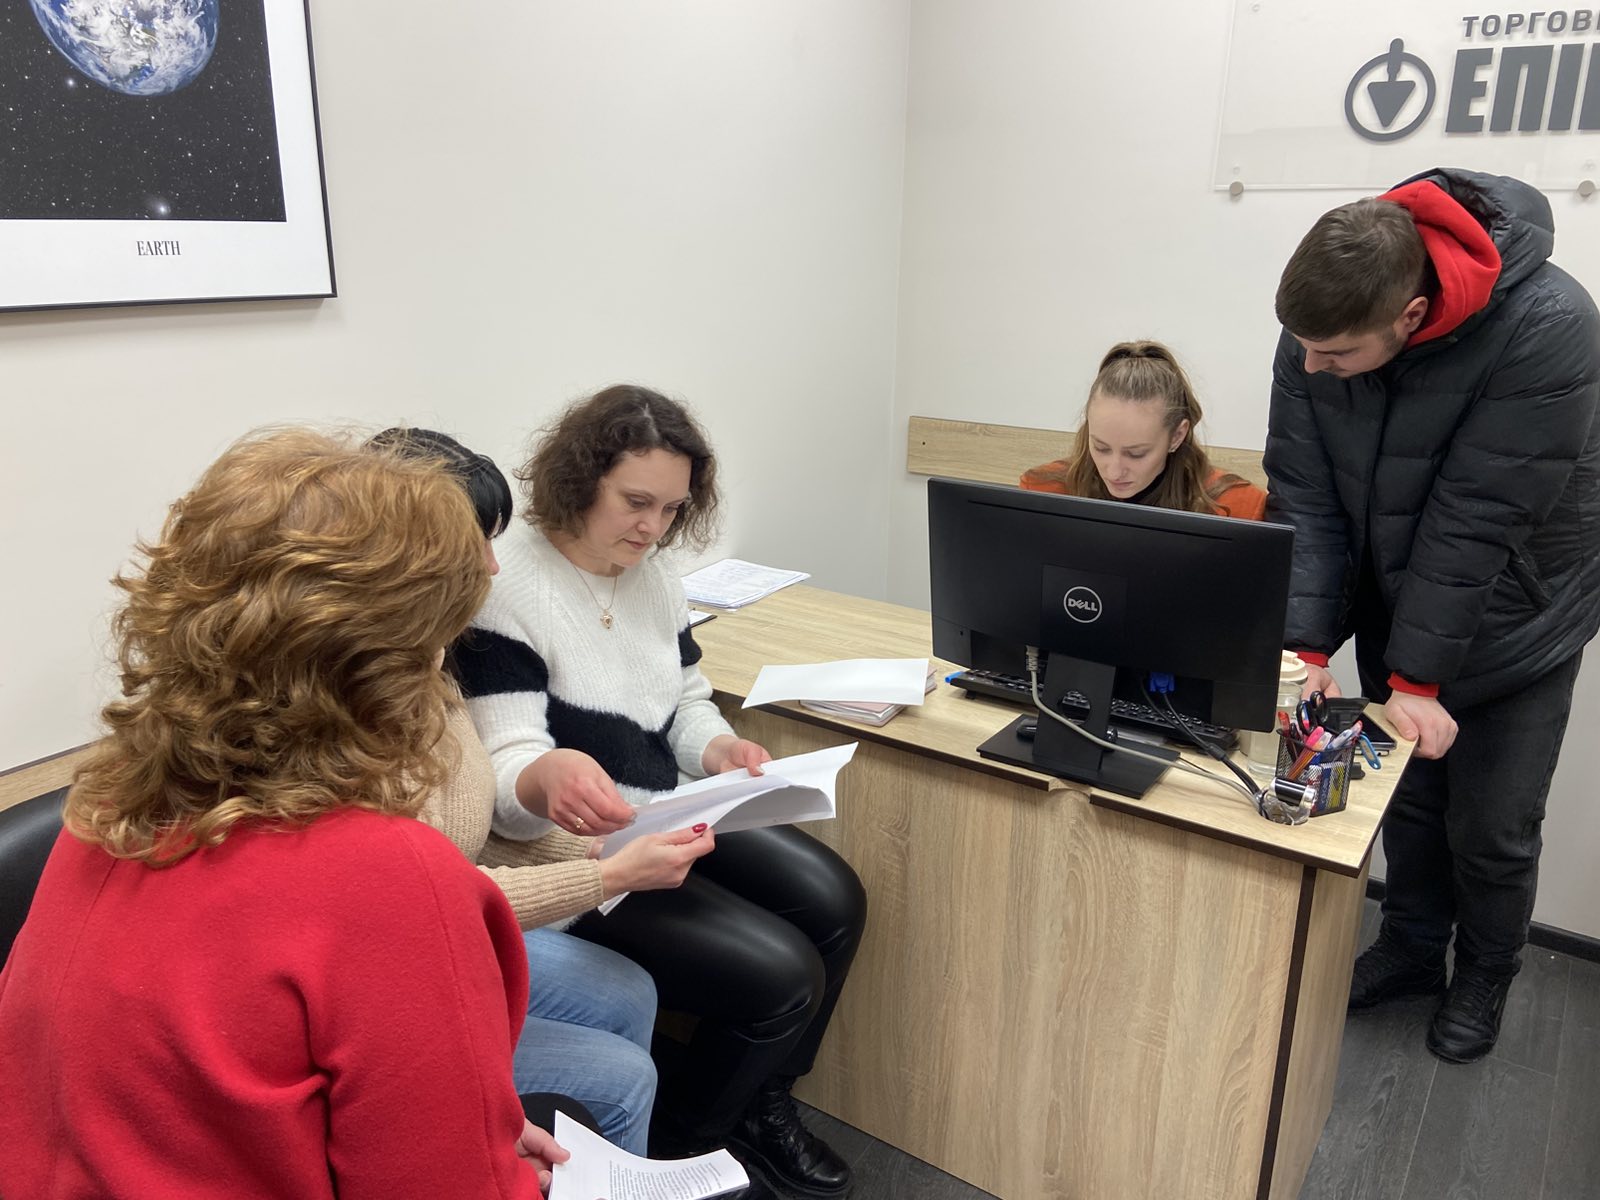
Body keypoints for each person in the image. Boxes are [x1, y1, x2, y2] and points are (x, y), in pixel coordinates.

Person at [0, 430, 568, 1198]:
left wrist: (465, 1123)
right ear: (387, 667)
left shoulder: (108, 804)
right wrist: (491, 1160)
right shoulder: (391, 877)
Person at [452, 384, 867, 1199]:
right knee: (781, 976)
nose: (653, 528)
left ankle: (761, 1103)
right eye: (635, 502)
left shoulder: (655, 574)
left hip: (669, 801)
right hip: (576, 848)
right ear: (579, 482)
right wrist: (544, 777)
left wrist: (717, 747)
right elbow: (503, 776)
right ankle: (689, 1143)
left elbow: (684, 701)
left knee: (836, 899)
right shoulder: (509, 589)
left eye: (672, 509)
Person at [1265, 168, 1600, 1063]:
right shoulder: (1319, 329)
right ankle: (1412, 949)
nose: (1310, 366)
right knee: (1406, 803)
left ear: (1411, 316)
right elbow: (1304, 492)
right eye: (1303, 346)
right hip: (1401, 594)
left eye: (1334, 354)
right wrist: (1304, 645)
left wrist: (1416, 678)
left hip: (1521, 614)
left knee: (1492, 825)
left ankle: (1485, 973)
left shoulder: (1550, 324)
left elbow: (1478, 517)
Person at [370, 426, 716, 1156]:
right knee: (625, 1075)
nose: (493, 567)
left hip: (458, 912)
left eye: (670, 508)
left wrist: (594, 848)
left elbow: (460, 833)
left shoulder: (425, 661)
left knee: (631, 993)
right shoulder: (365, 707)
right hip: (399, 967)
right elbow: (419, 903)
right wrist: (602, 872)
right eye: (474, 548)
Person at [1021, 339, 1267, 519]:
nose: (1114, 471)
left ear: (1177, 436)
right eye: (1101, 447)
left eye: (1136, 453)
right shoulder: (1043, 494)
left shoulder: (1236, 509)